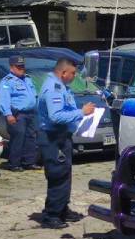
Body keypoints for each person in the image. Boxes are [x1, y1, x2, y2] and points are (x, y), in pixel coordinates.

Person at [37, 57, 95, 229]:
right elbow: (56, 116)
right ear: (63, 73)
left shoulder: (61, 87)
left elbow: (65, 109)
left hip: (61, 136)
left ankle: (62, 208)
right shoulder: (53, 88)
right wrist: (81, 112)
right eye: (73, 73)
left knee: (64, 174)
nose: (74, 76)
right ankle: (52, 215)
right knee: (57, 174)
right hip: (53, 137)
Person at [0, 55, 40, 172]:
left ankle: (29, 162)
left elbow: (34, 95)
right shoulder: (7, 82)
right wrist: (8, 114)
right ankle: (14, 164)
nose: (22, 69)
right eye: (19, 67)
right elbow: (4, 99)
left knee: (31, 138)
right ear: (11, 67)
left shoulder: (28, 78)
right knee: (18, 138)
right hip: (17, 114)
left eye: (22, 66)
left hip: (30, 113)